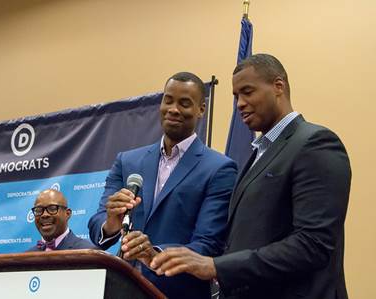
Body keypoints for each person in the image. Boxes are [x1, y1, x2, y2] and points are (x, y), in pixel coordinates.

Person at [149, 54, 351, 299]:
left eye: (247, 92)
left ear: (278, 87)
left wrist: (216, 266)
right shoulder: (257, 154)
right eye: (236, 97)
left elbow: (313, 244)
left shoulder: (315, 143)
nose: (240, 104)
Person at [88, 72, 237, 299]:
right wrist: (111, 222)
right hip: (122, 288)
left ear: (201, 109)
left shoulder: (220, 168)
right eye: (168, 100)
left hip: (179, 292)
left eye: (184, 103)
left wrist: (155, 253)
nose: (174, 109)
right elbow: (98, 225)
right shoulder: (127, 161)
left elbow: (208, 244)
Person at [27, 189, 96, 251]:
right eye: (39, 210)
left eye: (52, 209)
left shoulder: (88, 253)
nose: (44, 215)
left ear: (67, 214)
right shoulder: (26, 258)